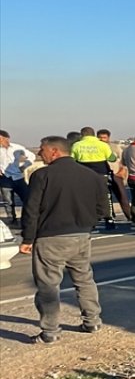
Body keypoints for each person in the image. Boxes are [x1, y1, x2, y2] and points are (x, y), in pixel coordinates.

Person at [19, 136, 108, 343]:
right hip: (81, 235)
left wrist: (27, 238)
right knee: (84, 279)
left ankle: (50, 331)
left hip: (50, 237)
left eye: (42, 150)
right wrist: (87, 225)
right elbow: (103, 209)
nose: (40, 153)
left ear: (55, 151)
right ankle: (92, 320)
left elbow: (31, 210)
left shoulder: (42, 175)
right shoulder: (92, 176)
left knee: (48, 285)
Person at [69, 126, 119, 230]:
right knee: (105, 197)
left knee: (87, 198)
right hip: (101, 174)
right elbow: (112, 158)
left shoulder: (76, 145)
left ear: (82, 135)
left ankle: (91, 221)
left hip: (84, 175)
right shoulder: (102, 145)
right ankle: (109, 219)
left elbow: (71, 160)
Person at [96, 129, 131, 222]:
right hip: (102, 174)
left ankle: (130, 216)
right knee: (106, 198)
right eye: (100, 137)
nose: (102, 139)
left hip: (116, 174)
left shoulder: (115, 147)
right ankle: (110, 216)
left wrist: (123, 170)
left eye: (104, 137)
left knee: (122, 196)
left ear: (108, 138)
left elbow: (122, 160)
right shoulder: (96, 148)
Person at [0, 130, 34, 224]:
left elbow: (31, 156)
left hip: (18, 178)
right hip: (4, 178)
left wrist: (24, 166)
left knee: (27, 198)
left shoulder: (17, 148)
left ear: (6, 138)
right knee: (8, 201)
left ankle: (28, 219)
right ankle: (12, 220)